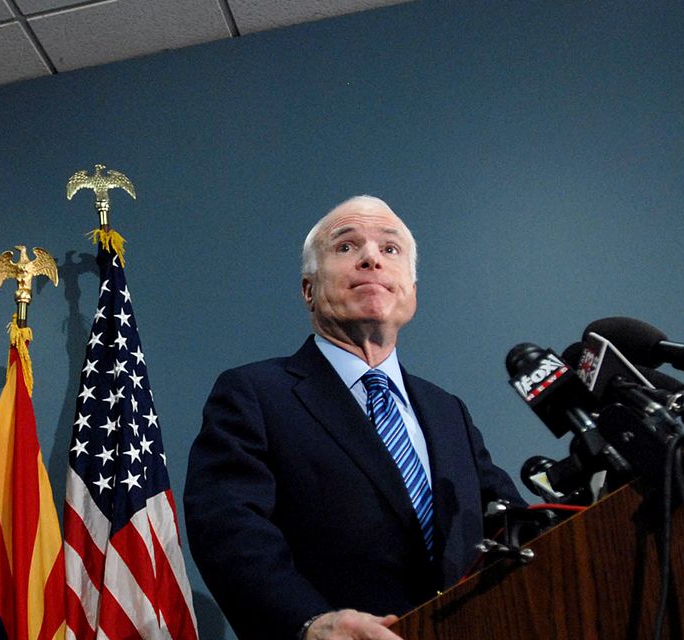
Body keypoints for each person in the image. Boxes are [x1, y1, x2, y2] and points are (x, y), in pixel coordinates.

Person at [184, 195, 522, 640]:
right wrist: (310, 622)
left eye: (390, 248)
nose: (371, 259)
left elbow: (512, 525)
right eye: (346, 247)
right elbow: (228, 530)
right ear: (308, 289)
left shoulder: (448, 411)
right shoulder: (255, 394)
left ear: (411, 291)